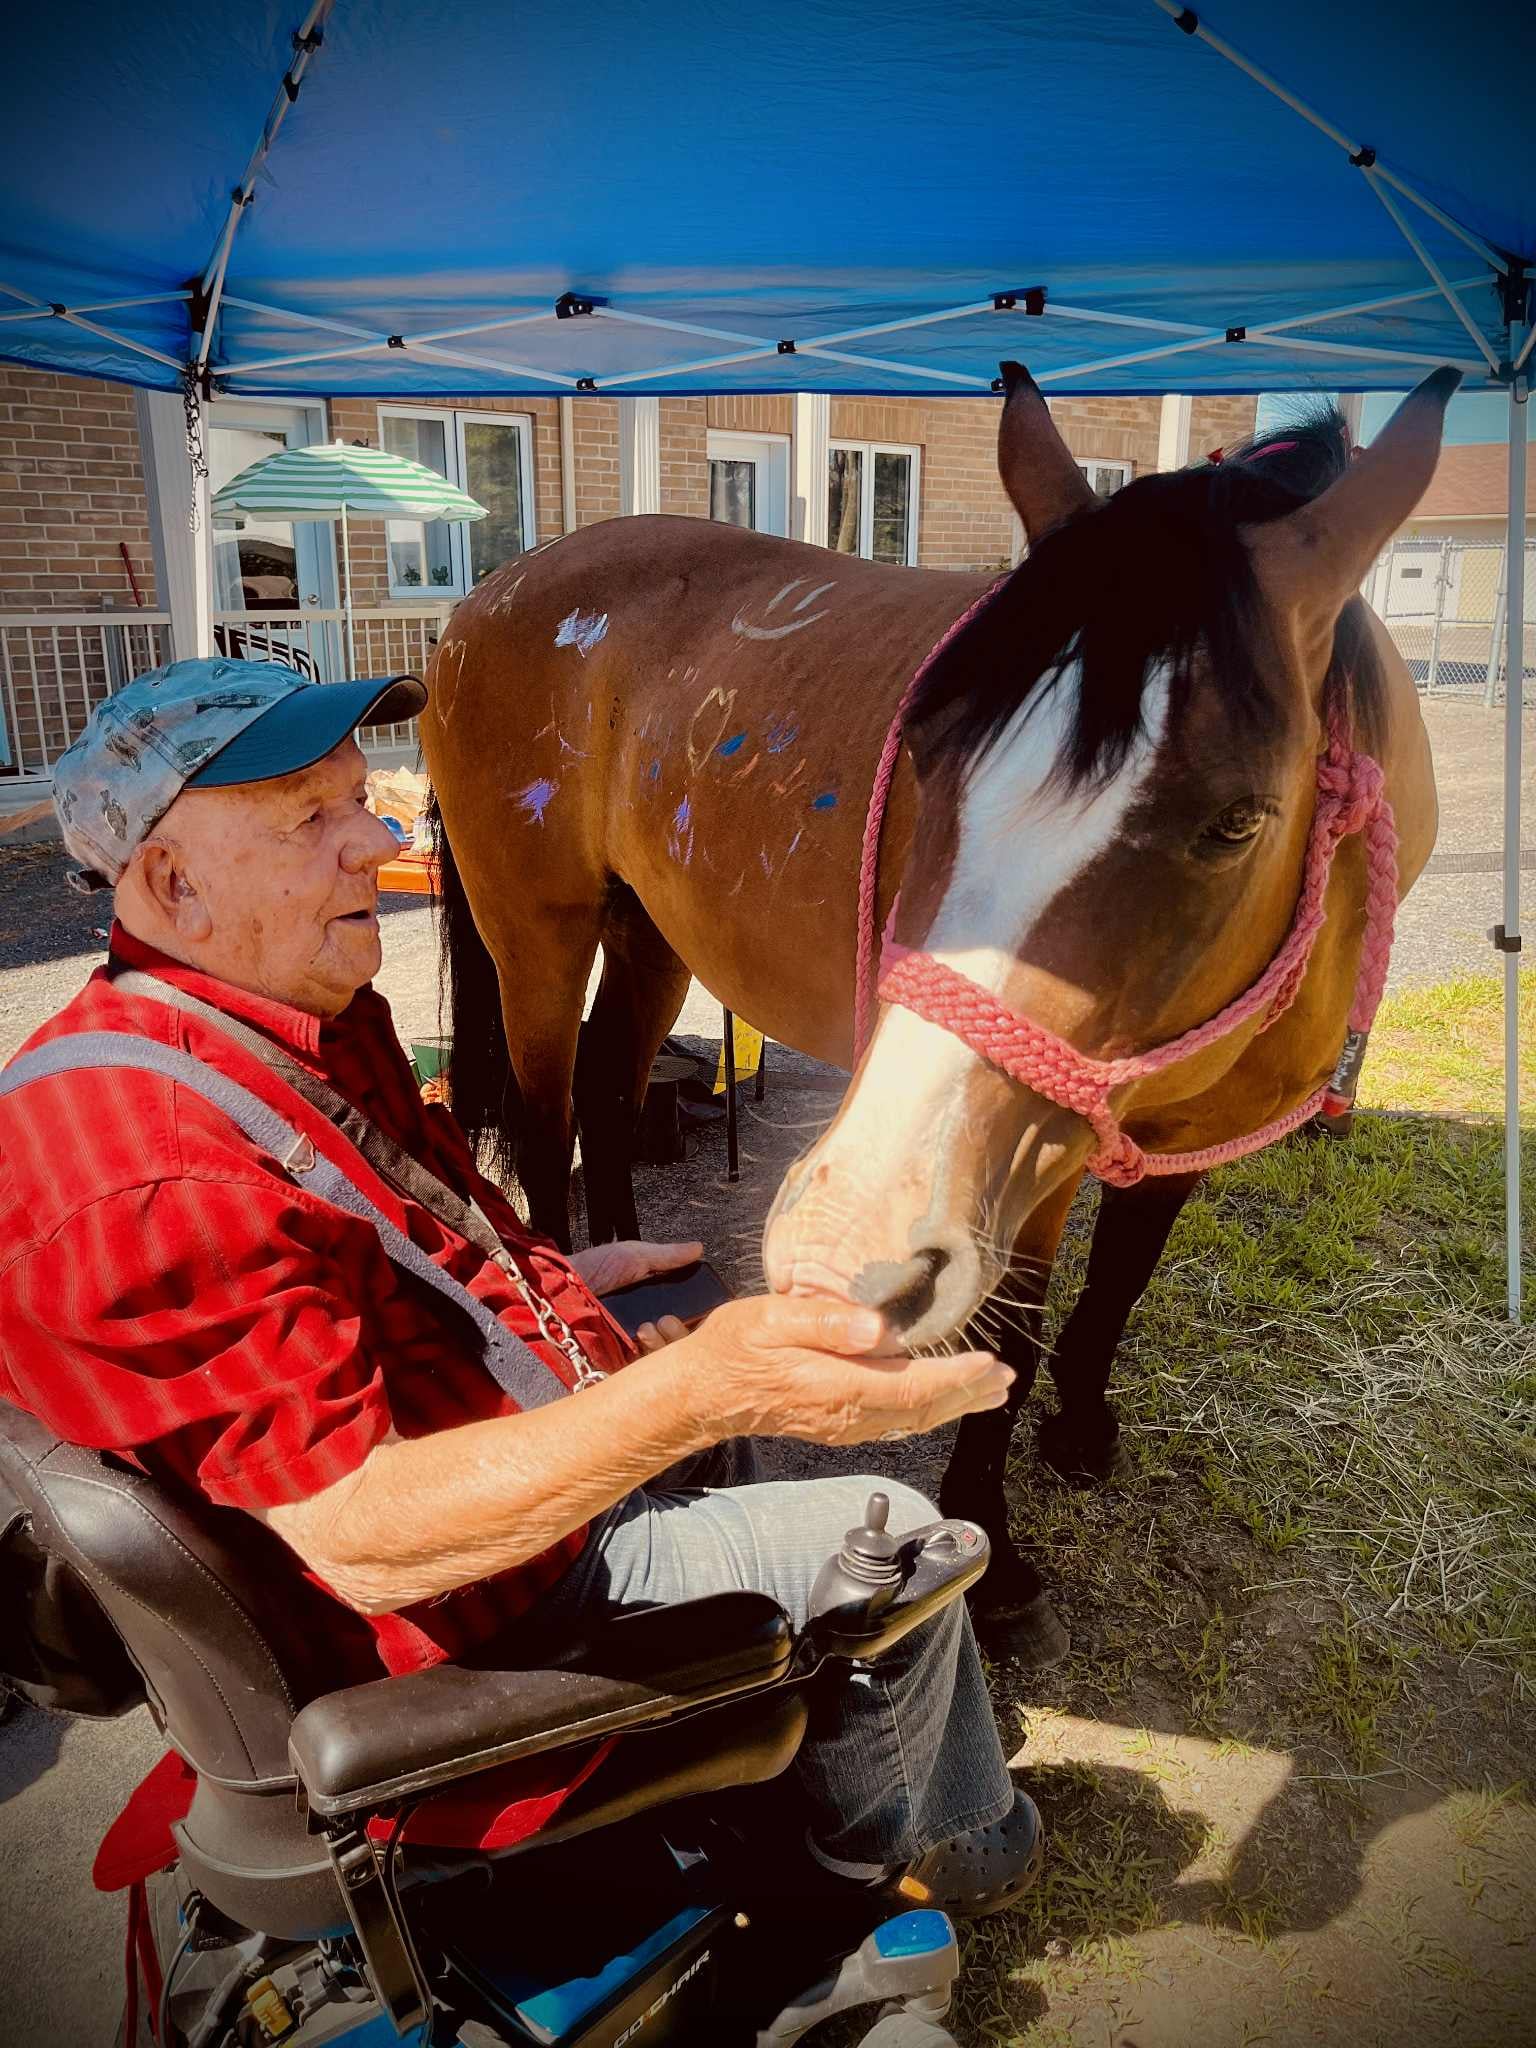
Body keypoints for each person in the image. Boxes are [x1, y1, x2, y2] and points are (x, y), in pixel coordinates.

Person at [0, 657, 1039, 1914]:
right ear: (170, 880)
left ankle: (778, 1744)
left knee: (722, 1405)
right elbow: (364, 1537)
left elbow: (385, 1244)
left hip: (464, 1525)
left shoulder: (257, 1019)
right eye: (309, 819)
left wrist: (556, 1286)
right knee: (899, 1531)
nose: (376, 843)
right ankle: (922, 1854)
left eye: (362, 800)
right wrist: (699, 1391)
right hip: (452, 1635)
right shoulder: (154, 1176)